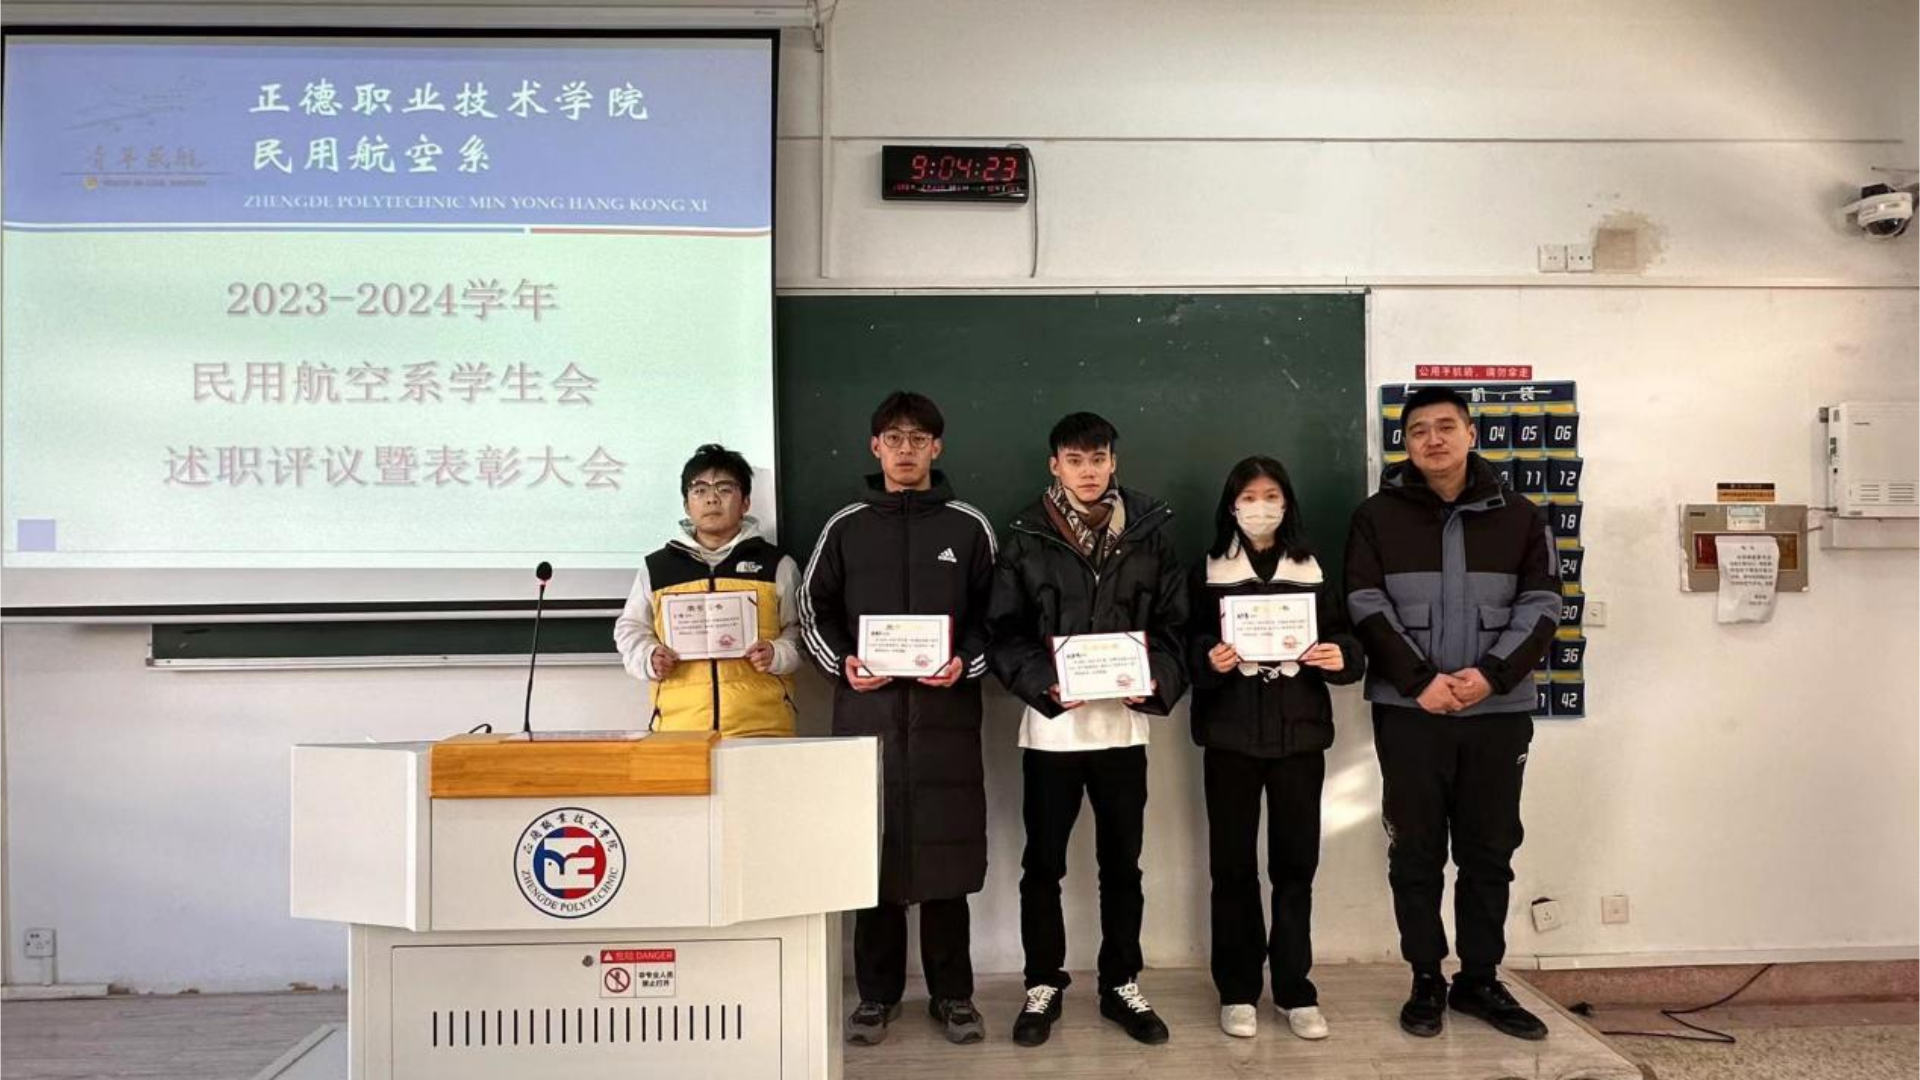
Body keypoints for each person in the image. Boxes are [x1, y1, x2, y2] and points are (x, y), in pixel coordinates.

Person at [1345, 385, 1561, 1041]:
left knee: (1489, 850)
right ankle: (1425, 978)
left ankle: (1480, 980)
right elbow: (1364, 602)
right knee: (1414, 851)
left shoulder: (1521, 517)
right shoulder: (1376, 517)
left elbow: (1543, 606)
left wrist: (1490, 677)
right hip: (1410, 711)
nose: (1432, 439)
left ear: (1471, 433)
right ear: (1405, 443)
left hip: (1498, 711)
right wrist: (1420, 683)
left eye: (1446, 426)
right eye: (1418, 430)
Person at [800, 391, 997, 1047]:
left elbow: (998, 617)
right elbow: (813, 611)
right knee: (872, 861)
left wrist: (964, 663)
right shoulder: (846, 526)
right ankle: (875, 998)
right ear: (875, 447)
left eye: (918, 438)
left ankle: (954, 996)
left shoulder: (969, 527)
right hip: (868, 721)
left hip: (947, 724)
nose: (905, 449)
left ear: (936, 447)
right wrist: (844, 663)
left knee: (947, 864)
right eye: (893, 438)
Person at [987, 411, 1188, 1048]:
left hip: (1123, 731)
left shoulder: (1151, 531)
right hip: (1053, 733)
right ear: (1056, 465)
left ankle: (1120, 983)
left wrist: (1152, 680)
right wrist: (1044, 682)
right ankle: (1042, 984)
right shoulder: (1025, 534)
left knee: (1122, 866)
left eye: (1098, 458)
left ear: (1113, 462)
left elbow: (1177, 627)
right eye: (1075, 460)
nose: (1088, 471)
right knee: (1042, 865)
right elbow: (1002, 633)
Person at [1187, 456, 1364, 1040]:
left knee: (1295, 867)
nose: (1259, 508)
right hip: (1230, 737)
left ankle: (1294, 990)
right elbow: (1185, 642)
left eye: (1270, 497)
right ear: (1230, 506)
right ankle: (1237, 990)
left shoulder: (1312, 568)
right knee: (1231, 867)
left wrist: (1342, 657)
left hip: (1299, 737)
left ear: (1287, 504)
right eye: (1248, 497)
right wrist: (1208, 660)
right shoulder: (1207, 569)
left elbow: (1346, 641)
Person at [614, 443, 799, 737]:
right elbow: (630, 628)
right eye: (699, 490)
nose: (712, 498)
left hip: (761, 727)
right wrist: (648, 657)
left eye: (724, 488)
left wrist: (778, 653)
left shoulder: (777, 564)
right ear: (687, 505)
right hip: (679, 729)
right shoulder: (657, 567)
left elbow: (800, 629)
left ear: (745, 502)